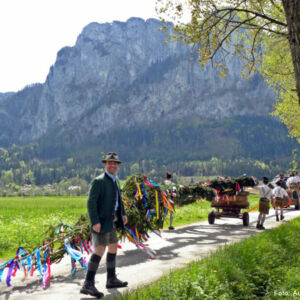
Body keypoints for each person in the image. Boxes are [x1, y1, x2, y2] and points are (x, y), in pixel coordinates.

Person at [80, 152, 128, 298]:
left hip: (112, 221)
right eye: (109, 163)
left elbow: (118, 199)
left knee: (113, 245)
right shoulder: (99, 181)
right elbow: (91, 202)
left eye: (115, 163)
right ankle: (88, 284)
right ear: (105, 164)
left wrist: (123, 213)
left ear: (117, 165)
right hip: (100, 222)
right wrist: (95, 221)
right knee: (99, 250)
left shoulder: (116, 180)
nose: (112, 165)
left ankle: (111, 279)